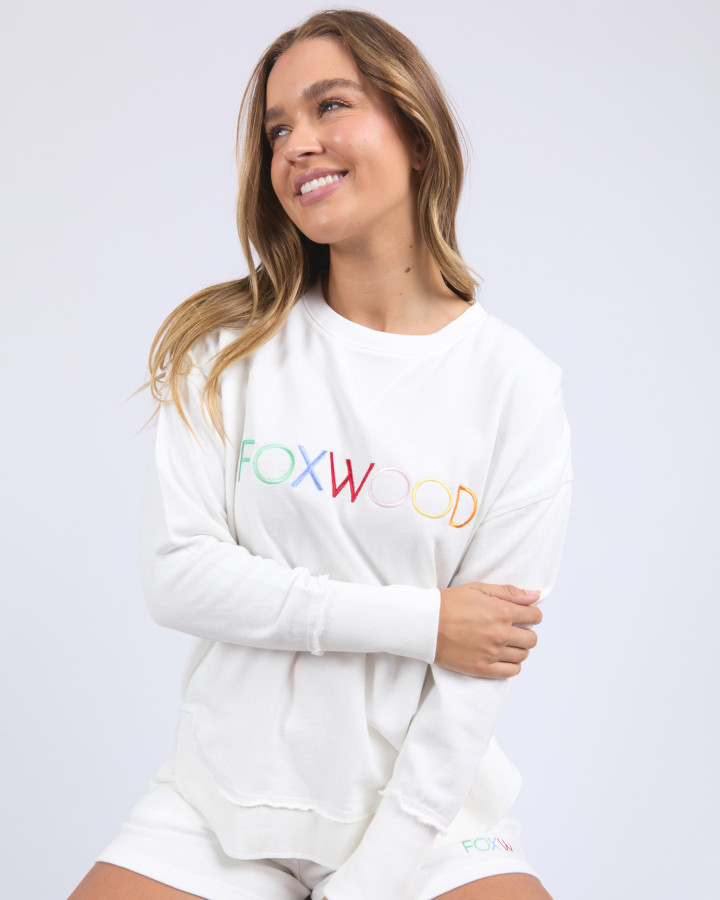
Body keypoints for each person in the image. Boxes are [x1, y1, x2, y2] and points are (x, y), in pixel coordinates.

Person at [69, 9, 572, 900]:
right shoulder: (227, 352)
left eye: (329, 105)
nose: (297, 144)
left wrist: (374, 876)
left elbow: (481, 667)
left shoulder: (515, 386)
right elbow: (179, 576)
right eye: (276, 130)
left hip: (427, 823)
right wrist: (426, 622)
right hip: (220, 809)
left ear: (416, 133)